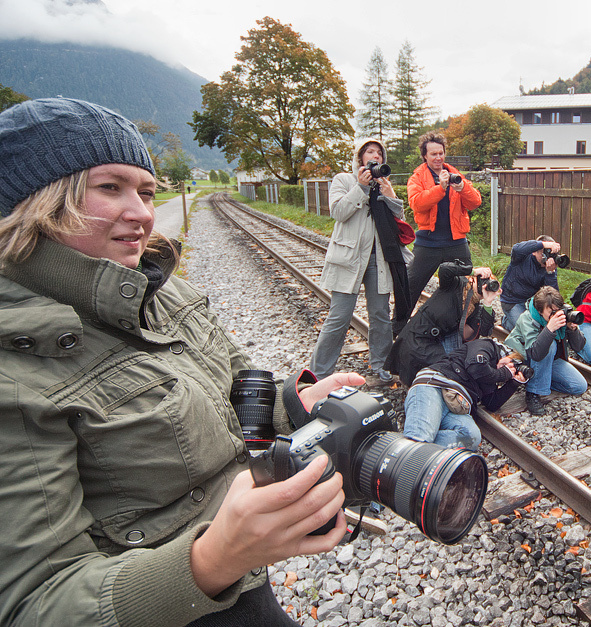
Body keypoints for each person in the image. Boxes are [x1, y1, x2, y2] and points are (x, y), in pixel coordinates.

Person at [0, 97, 360, 626]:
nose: (143, 213)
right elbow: (33, 602)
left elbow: (234, 388)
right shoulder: (14, 365)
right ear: (37, 203)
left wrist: (295, 403)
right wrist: (214, 559)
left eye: (147, 192)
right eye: (110, 187)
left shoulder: (160, 289)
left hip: (246, 593)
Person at [309, 137, 409, 383]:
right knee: (339, 316)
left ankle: (381, 364)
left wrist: (390, 195)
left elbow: (399, 221)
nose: (375, 156)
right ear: (360, 157)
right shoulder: (344, 180)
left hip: (379, 259)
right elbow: (338, 212)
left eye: (379, 153)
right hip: (349, 258)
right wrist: (361, 188)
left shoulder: (383, 184)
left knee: (380, 314)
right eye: (370, 151)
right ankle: (318, 373)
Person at [396, 131, 482, 333]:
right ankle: (397, 331)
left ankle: (466, 331)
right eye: (433, 154)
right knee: (410, 288)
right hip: (428, 243)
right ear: (424, 156)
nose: (438, 157)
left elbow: (475, 202)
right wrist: (440, 188)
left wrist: (462, 188)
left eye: (441, 153)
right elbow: (417, 203)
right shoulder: (417, 177)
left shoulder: (455, 173)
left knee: (467, 288)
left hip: (456, 242)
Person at [385, 260, 500, 387]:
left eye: (488, 284)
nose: (485, 286)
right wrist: (473, 271)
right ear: (472, 279)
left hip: (436, 343)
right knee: (446, 369)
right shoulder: (455, 284)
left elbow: (485, 330)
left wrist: (488, 302)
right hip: (418, 336)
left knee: (452, 369)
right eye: (483, 281)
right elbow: (445, 269)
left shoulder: (475, 309)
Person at [403, 338, 526, 449]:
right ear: (508, 353)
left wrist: (513, 383)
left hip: (457, 406)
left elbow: (491, 403)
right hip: (436, 386)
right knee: (420, 437)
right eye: (511, 363)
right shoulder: (487, 345)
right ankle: (413, 447)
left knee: (471, 437)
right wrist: (503, 373)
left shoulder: (491, 376)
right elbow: (476, 366)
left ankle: (413, 448)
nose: (510, 368)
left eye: (513, 369)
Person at [504, 286, 588, 416]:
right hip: (525, 357)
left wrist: (573, 329)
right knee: (550, 345)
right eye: (551, 312)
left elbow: (579, 347)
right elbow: (535, 354)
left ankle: (540, 379)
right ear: (540, 311)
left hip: (549, 359)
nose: (556, 314)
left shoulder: (562, 315)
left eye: (558, 310)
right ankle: (533, 392)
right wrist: (549, 329)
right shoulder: (527, 318)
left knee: (579, 386)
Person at [499, 235, 561, 331]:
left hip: (532, 304)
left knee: (541, 328)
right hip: (513, 301)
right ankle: (506, 322)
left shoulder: (550, 266)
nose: (548, 257)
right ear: (534, 252)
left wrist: (550, 273)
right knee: (527, 330)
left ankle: (513, 322)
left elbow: (552, 295)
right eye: (545, 253)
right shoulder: (521, 257)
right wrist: (543, 244)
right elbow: (516, 248)